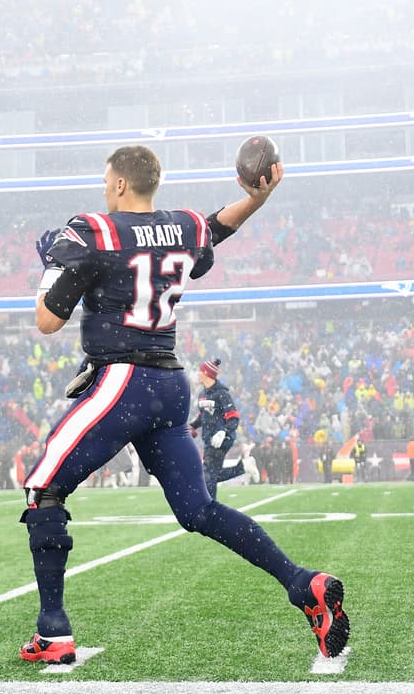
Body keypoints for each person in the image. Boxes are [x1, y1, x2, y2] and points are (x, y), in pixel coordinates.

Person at [21, 145, 348, 665]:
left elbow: (46, 320)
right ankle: (303, 585)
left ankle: (52, 631)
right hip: (169, 383)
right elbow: (217, 225)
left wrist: (50, 265)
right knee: (199, 509)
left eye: (108, 181)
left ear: (122, 184)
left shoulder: (93, 230)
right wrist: (258, 199)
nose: (105, 188)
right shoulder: (179, 227)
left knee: (44, 490)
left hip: (121, 380)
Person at [188, 358, 246, 499]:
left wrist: (223, 432)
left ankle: (210, 506)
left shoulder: (222, 394)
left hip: (222, 439)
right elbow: (203, 416)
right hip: (209, 439)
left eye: (200, 371)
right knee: (210, 475)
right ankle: (241, 468)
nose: (198, 374)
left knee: (208, 474)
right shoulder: (202, 395)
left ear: (206, 374)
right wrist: (192, 426)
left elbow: (233, 416)